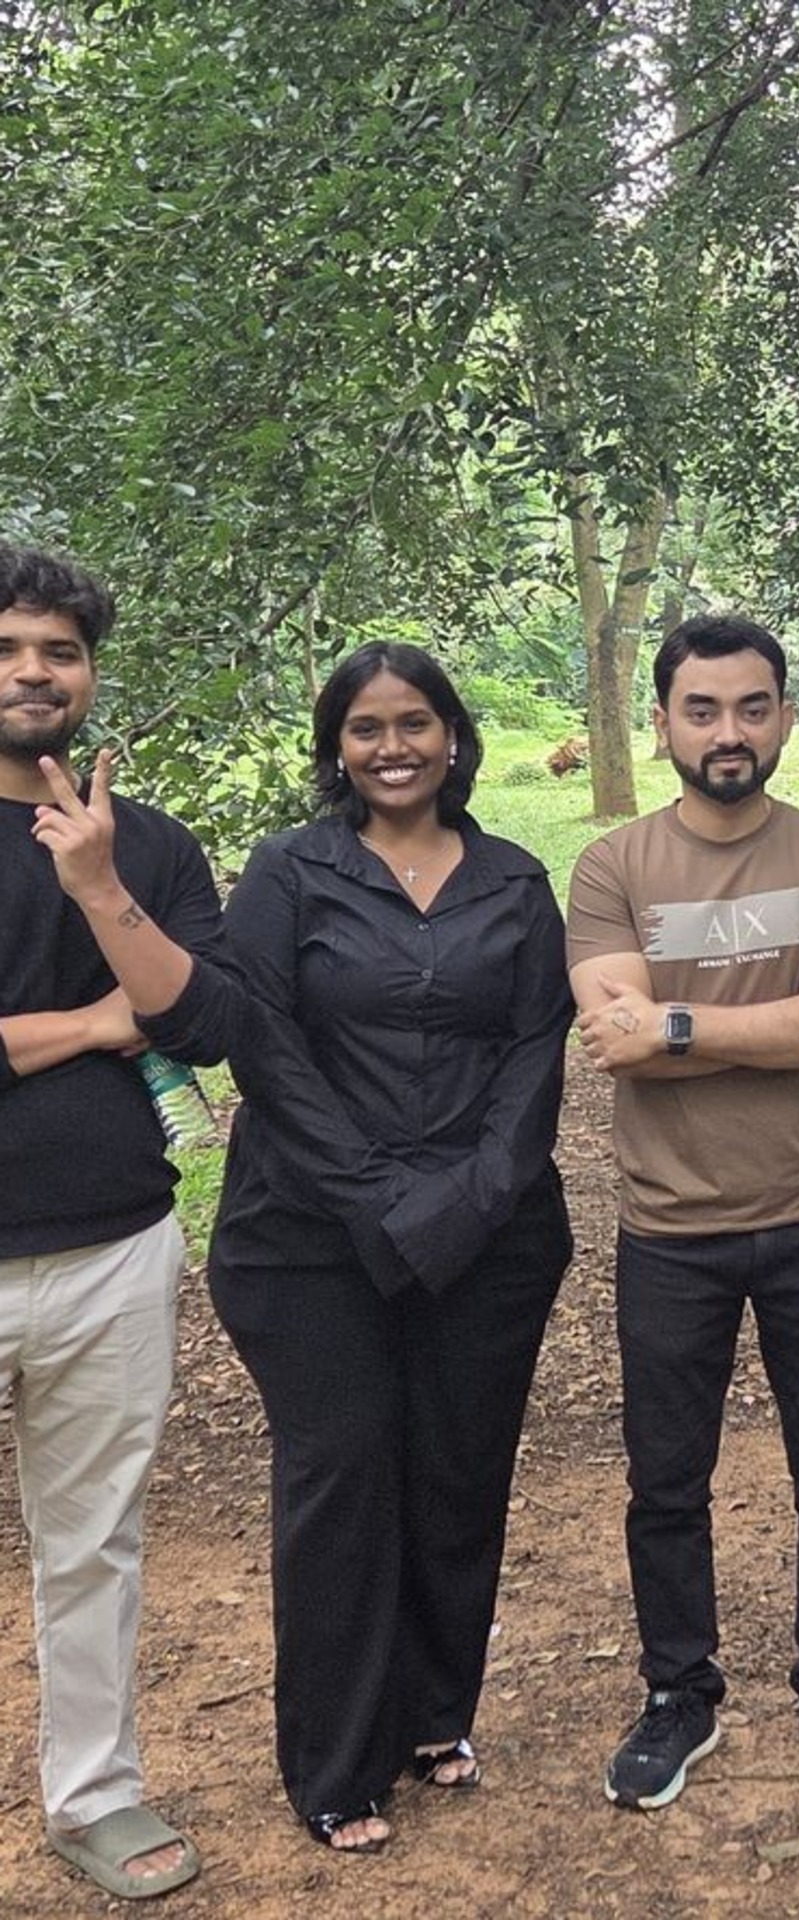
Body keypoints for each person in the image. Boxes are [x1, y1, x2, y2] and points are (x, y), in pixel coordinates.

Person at [208, 643, 573, 1853]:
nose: (393, 746)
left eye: (415, 722)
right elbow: (264, 1047)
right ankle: (336, 1761)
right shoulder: (289, 873)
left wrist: (472, 1199)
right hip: (308, 1237)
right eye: (366, 728)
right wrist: (378, 1198)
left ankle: (432, 1714)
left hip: (489, 1235)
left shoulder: (515, 881)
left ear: (453, 737)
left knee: (458, 1474)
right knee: (345, 1476)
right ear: (338, 748)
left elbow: (536, 1050)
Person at [567, 614, 799, 1812]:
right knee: (667, 1482)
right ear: (661, 721)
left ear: (785, 718)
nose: (729, 732)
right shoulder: (613, 867)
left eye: (753, 708)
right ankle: (679, 1691)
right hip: (670, 1230)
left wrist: (674, 1024)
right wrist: (758, 1030)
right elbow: (614, 1043)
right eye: (703, 710)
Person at [1, 542, 237, 1900]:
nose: (35, 672)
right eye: (8, 648)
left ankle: (93, 1793)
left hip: (113, 1247)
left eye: (62, 651)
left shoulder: (145, 844)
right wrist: (94, 1023)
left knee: (92, 1541)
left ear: (91, 674)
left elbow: (201, 1019)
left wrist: (98, 888)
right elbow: (139, 1014)